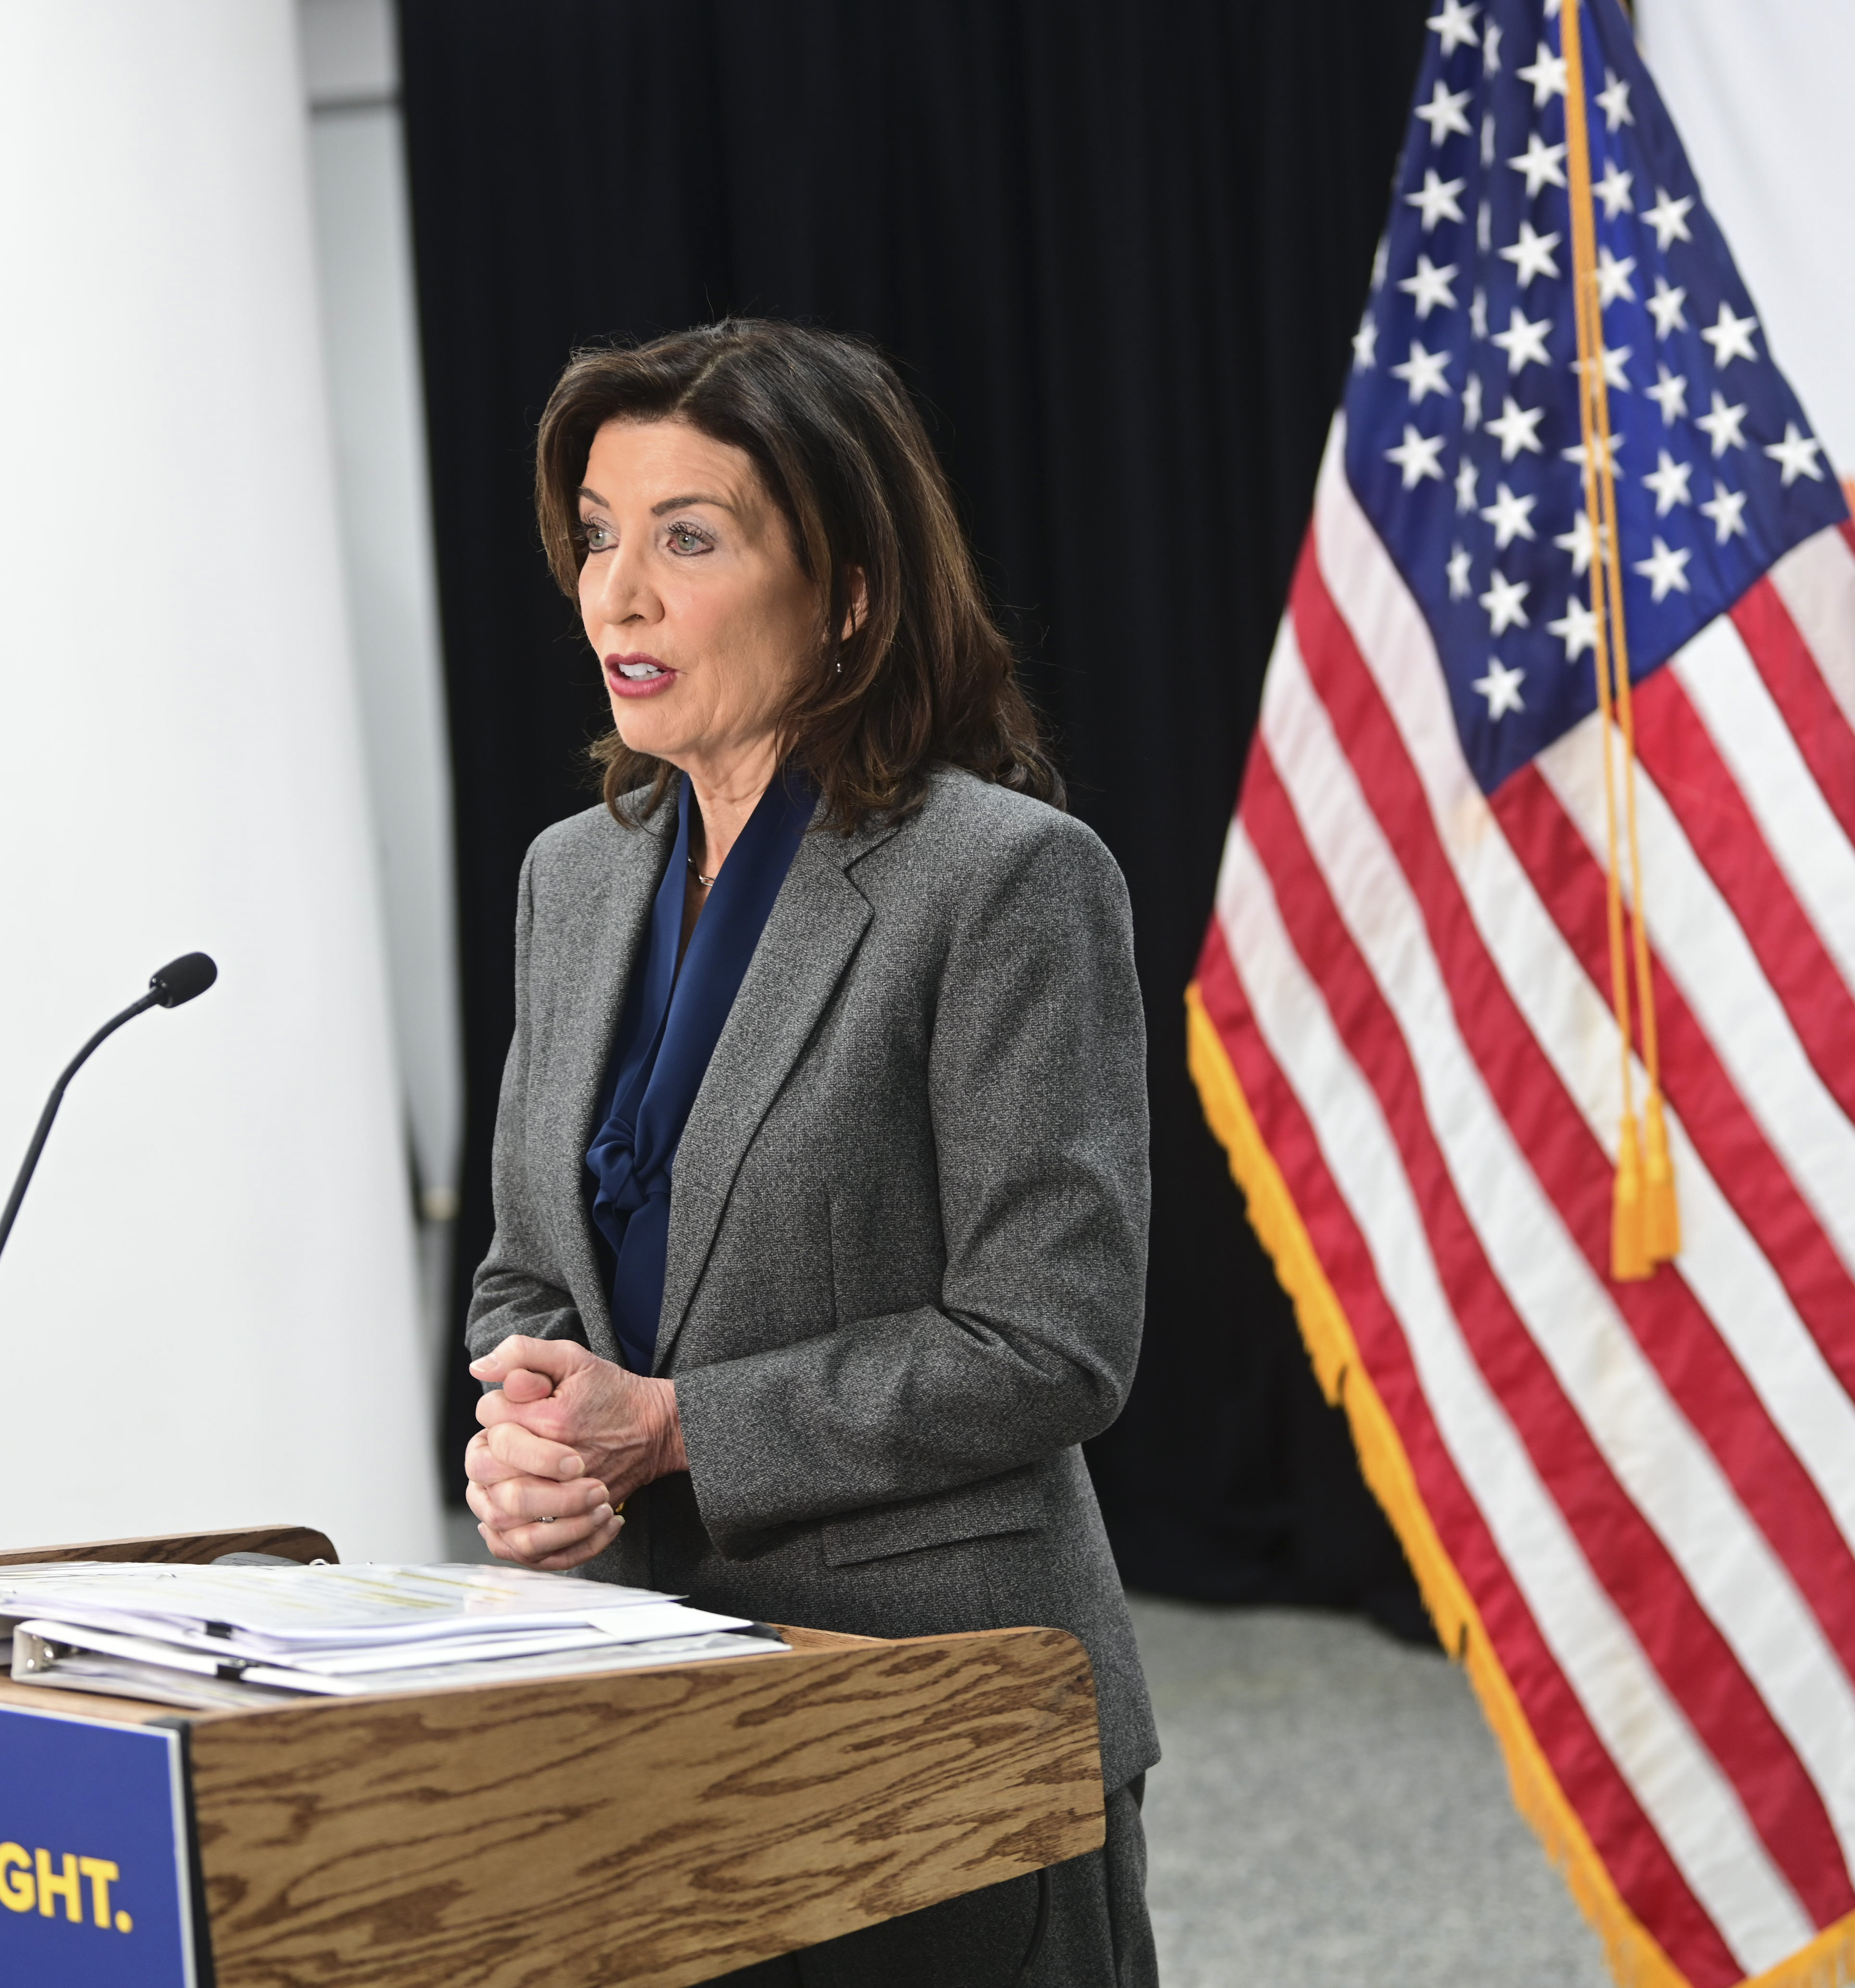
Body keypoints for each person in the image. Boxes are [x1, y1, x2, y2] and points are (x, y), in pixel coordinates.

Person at [460, 318, 1157, 1987]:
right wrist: (531, 1427)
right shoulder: (572, 877)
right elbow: (525, 1266)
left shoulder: (1003, 880)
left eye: (686, 539)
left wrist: (678, 1428)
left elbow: (1049, 1342)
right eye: (597, 536)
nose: (616, 595)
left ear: (844, 592)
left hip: (938, 1716)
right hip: (640, 1690)